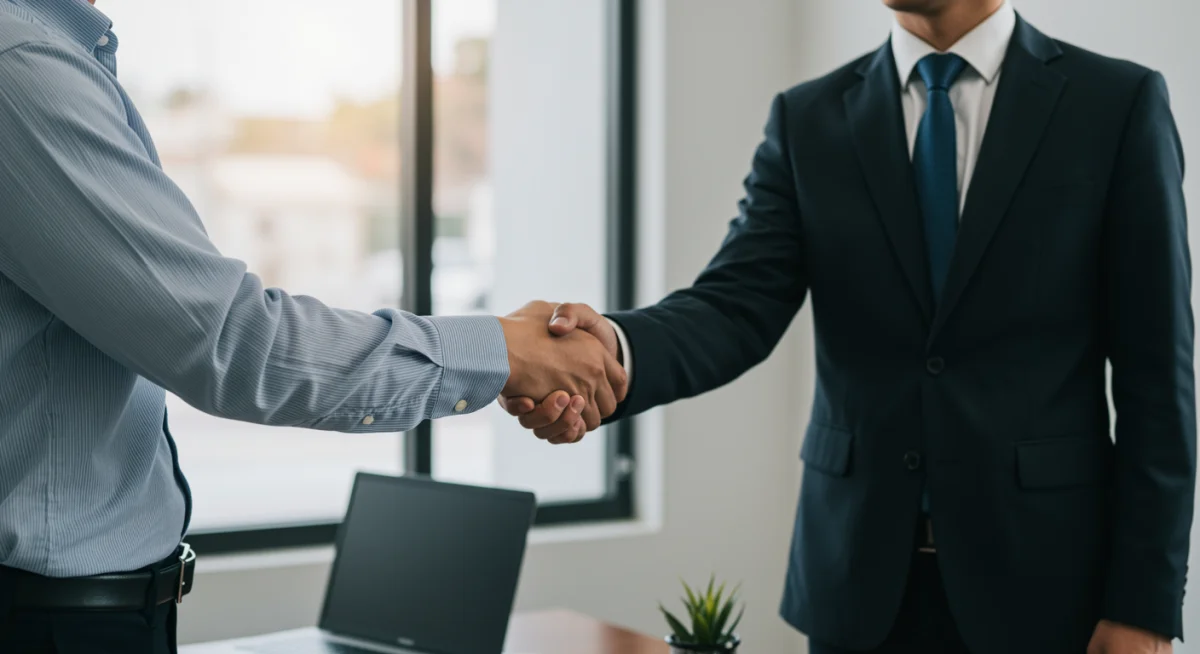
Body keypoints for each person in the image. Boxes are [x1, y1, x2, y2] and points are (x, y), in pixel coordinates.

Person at [503, 0, 1195, 652]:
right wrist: (612, 349)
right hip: (858, 587)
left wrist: (1143, 605)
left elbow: (1157, 381)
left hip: (1048, 586)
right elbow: (733, 307)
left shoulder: (1114, 104)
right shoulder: (808, 118)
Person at [0, 0, 625, 652]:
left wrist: (514, 348)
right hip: (49, 623)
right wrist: (504, 351)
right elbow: (237, 344)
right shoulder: (20, 68)